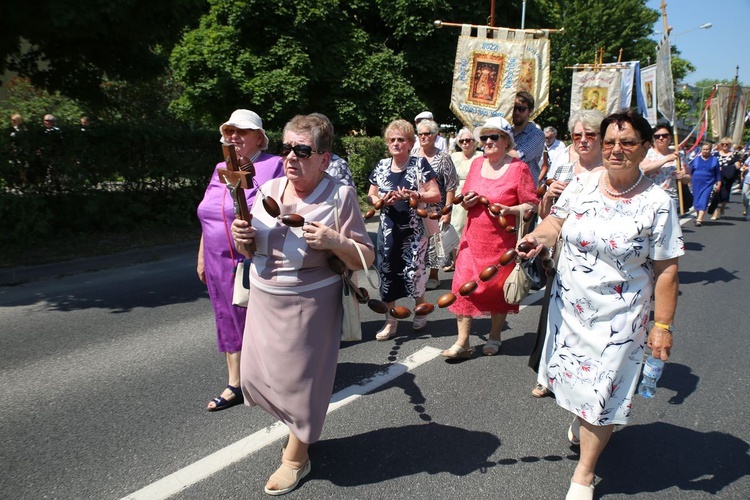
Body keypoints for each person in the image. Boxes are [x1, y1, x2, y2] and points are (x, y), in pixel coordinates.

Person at [517, 109, 683, 500]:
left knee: (604, 391)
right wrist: (538, 239)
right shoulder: (583, 183)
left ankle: (584, 474)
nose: (615, 150)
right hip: (570, 309)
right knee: (577, 383)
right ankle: (587, 418)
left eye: (627, 142)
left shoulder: (657, 203)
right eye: (609, 142)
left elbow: (666, 270)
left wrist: (662, 326)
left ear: (645, 148)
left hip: (621, 318)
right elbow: (555, 223)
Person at [231, 114, 374, 495]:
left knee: (303, 387)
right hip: (265, 299)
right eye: (286, 148)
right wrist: (240, 235)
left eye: (302, 150)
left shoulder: (339, 195)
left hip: (311, 305)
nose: (291, 157)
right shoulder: (270, 188)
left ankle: (296, 457)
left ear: (324, 158)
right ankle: (299, 429)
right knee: (254, 378)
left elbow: (366, 256)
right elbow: (248, 249)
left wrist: (334, 240)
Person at [197, 109, 284, 412]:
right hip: (215, 258)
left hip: (250, 260)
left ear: (259, 137)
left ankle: (270, 380)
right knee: (225, 317)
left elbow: (279, 215)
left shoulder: (274, 166)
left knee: (256, 319)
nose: (234, 137)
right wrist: (201, 256)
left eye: (242, 132)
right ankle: (235, 382)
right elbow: (207, 213)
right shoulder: (221, 167)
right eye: (230, 131)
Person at [441, 116, 538, 359]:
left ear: (507, 141)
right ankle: (462, 342)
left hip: (500, 244)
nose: (488, 141)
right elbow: (465, 195)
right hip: (471, 240)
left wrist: (510, 210)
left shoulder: (519, 168)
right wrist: (467, 199)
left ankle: (495, 336)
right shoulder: (476, 164)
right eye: (484, 137)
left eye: (494, 137)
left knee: (496, 290)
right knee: (461, 286)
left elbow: (531, 204)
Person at [529, 110, 606, 398]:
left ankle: (586, 376)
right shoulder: (562, 169)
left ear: (602, 139)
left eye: (590, 135)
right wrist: (548, 196)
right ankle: (547, 374)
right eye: (577, 136)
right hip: (560, 252)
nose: (583, 141)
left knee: (588, 319)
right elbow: (545, 215)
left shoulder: (611, 173)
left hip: (595, 257)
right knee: (555, 314)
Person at [368, 119, 441, 340]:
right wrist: (381, 201)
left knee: (414, 271)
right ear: (387, 143)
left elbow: (435, 194)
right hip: (388, 230)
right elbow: (371, 195)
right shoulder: (381, 166)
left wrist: (415, 195)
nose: (396, 143)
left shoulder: (419, 165)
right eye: (392, 139)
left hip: (414, 230)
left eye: (401, 139)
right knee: (388, 272)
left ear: (410, 143)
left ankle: (420, 310)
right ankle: (391, 321)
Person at [415, 118, 458, 291]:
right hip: (416, 208)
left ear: (435, 136)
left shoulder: (443, 158)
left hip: (436, 208)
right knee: (417, 242)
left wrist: (447, 211)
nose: (424, 137)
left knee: (435, 243)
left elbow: (451, 186)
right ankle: (418, 274)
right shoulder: (413, 156)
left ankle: (434, 275)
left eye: (427, 133)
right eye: (420, 134)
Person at [448, 127, 482, 270]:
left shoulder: (480, 156)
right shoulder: (453, 156)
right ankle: (455, 262)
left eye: (468, 140)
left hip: (475, 194)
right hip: (457, 195)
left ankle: (469, 261)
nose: (465, 143)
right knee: (455, 228)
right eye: (462, 141)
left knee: (472, 229)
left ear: (475, 142)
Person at [640, 124, 692, 210]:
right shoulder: (647, 154)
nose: (661, 138)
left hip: (671, 197)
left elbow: (688, 178)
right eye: (657, 136)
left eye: (664, 135)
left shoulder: (679, 155)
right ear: (653, 138)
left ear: (670, 138)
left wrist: (683, 177)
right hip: (651, 198)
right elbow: (644, 170)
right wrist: (666, 159)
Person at [512, 91, 546, 183]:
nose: (516, 112)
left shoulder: (537, 135)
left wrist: (497, 149)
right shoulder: (507, 132)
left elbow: (519, 156)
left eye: (521, 109)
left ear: (530, 111)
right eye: (514, 108)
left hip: (524, 190)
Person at [689, 143, 721, 226]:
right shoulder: (696, 159)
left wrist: (719, 182)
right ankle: (698, 215)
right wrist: (688, 179)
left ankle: (699, 219)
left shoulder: (714, 159)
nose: (705, 151)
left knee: (704, 199)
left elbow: (717, 173)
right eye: (704, 149)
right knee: (696, 201)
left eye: (707, 149)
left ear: (710, 150)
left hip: (708, 183)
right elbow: (690, 171)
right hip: (696, 183)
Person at [713, 137, 742, 219]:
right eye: (723, 144)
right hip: (717, 176)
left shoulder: (734, 154)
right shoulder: (716, 154)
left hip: (728, 178)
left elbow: (737, 165)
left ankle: (722, 206)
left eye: (727, 144)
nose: (725, 145)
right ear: (720, 145)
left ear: (730, 145)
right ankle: (715, 212)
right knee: (715, 194)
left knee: (725, 194)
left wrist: (736, 167)